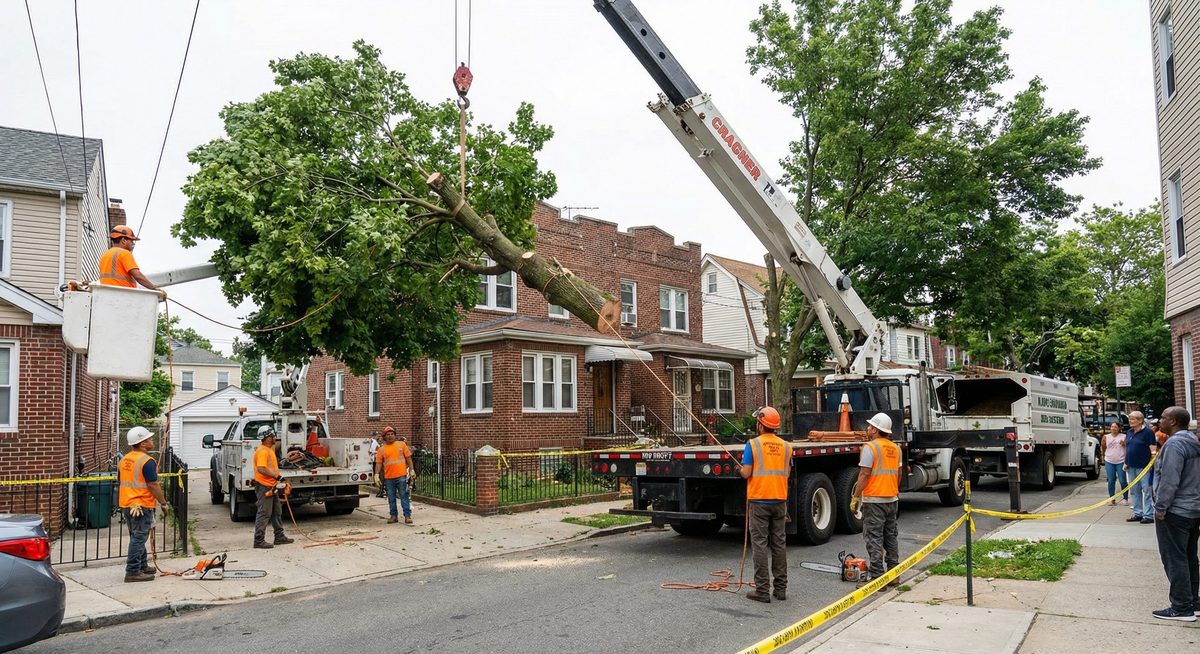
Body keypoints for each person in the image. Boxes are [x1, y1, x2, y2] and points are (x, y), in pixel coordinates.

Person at [1150, 406, 1200, 622]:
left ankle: (1181, 607)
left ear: (1172, 422)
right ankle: (1193, 602)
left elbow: (1170, 480)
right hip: (1193, 510)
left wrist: (1161, 509)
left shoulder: (1175, 444)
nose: (1159, 421)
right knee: (1189, 557)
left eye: (1162, 417)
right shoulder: (1193, 441)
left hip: (1175, 511)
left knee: (1175, 558)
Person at [738, 406, 790, 603]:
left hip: (759, 500)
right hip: (780, 500)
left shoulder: (753, 445)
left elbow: (746, 473)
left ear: (760, 424)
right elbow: (786, 474)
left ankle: (762, 590)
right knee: (779, 544)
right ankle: (780, 589)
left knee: (760, 545)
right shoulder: (786, 446)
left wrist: (739, 469)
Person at [851, 412, 901, 590]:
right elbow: (898, 474)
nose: (868, 428)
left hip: (874, 500)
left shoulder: (870, 448)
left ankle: (878, 577)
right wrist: (893, 490)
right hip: (891, 498)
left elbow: (864, 474)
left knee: (873, 537)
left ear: (876, 430)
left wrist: (856, 496)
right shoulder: (896, 449)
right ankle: (894, 574)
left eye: (871, 426)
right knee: (890, 537)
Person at [117, 426, 167, 583]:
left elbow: (120, 481)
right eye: (149, 439)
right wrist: (163, 503)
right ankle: (132, 571)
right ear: (142, 443)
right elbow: (153, 485)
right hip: (141, 505)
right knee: (139, 538)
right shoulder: (147, 461)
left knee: (136, 536)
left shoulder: (124, 459)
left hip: (127, 504)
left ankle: (142, 566)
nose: (152, 440)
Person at [252, 426, 293, 548]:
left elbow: (271, 468)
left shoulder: (269, 449)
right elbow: (261, 469)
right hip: (264, 486)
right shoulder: (263, 451)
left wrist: (280, 479)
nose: (275, 438)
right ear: (267, 437)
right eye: (273, 436)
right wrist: (277, 477)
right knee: (264, 513)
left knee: (276, 512)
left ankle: (279, 537)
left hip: (271, 485)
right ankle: (258, 540)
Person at [98, 225, 165, 297]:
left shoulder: (105, 255)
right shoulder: (124, 253)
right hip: (123, 296)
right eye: (131, 240)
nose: (133, 244)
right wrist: (155, 289)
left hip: (106, 296)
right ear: (123, 240)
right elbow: (138, 276)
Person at [375, 426, 415, 524]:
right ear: (384, 437)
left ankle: (407, 516)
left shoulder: (401, 445)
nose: (390, 436)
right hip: (389, 478)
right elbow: (379, 463)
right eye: (388, 434)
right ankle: (393, 516)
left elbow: (408, 458)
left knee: (404, 496)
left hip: (401, 475)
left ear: (395, 435)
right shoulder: (382, 450)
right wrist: (376, 474)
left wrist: (412, 470)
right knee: (391, 498)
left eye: (392, 434)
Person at [1125, 411, 1159, 524]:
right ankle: (1138, 513)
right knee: (1134, 491)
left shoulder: (1148, 433)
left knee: (1147, 491)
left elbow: (1153, 450)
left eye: (1133, 419)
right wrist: (1126, 462)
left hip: (1144, 466)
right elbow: (1128, 449)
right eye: (1130, 419)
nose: (1130, 421)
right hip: (1131, 466)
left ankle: (1148, 515)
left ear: (1140, 420)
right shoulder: (1129, 432)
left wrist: (1152, 462)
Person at [1101, 422, 1129, 506]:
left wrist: (1124, 444)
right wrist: (1103, 456)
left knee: (1123, 480)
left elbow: (1129, 446)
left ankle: (1125, 498)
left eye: (1115, 427)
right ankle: (1112, 499)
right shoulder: (1106, 437)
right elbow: (1103, 447)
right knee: (1111, 480)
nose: (1113, 428)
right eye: (1112, 427)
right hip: (1109, 460)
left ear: (1119, 428)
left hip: (1121, 461)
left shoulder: (1124, 436)